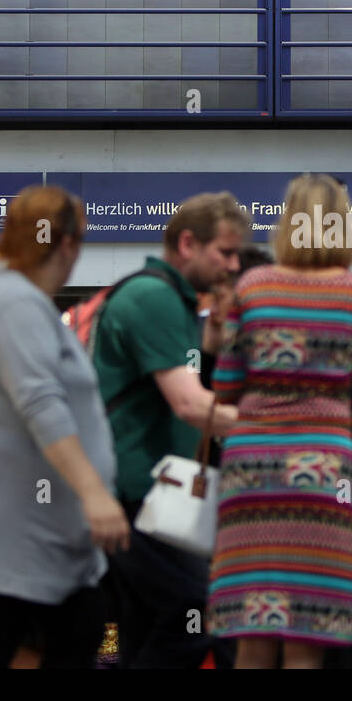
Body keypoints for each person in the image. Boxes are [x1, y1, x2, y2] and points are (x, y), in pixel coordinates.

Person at [0, 184, 129, 669]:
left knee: (21, 638)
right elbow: (41, 403)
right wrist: (94, 493)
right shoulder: (14, 305)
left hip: (27, 526)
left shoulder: (13, 301)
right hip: (20, 528)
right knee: (41, 634)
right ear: (65, 243)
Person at [207, 174, 352, 668]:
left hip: (252, 470)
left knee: (252, 633)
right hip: (323, 472)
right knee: (309, 634)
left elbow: (225, 384)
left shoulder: (254, 285)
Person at [94, 192, 248, 669]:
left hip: (146, 499)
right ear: (187, 243)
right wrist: (276, 427)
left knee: (147, 625)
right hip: (138, 500)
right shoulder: (153, 297)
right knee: (193, 610)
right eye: (225, 251)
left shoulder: (171, 302)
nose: (233, 263)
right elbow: (189, 403)